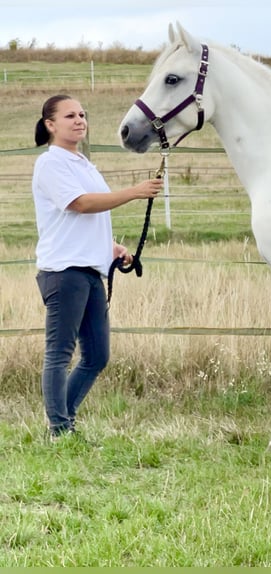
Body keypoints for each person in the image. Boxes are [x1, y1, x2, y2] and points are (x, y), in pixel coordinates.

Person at [32, 94, 162, 439]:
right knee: (59, 353)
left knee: (97, 356)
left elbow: (88, 217)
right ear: (50, 125)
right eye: (70, 116)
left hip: (91, 270)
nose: (79, 120)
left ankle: (64, 420)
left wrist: (112, 248)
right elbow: (79, 204)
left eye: (82, 114)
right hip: (64, 271)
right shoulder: (50, 164)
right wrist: (134, 191)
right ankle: (60, 429)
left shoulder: (84, 164)